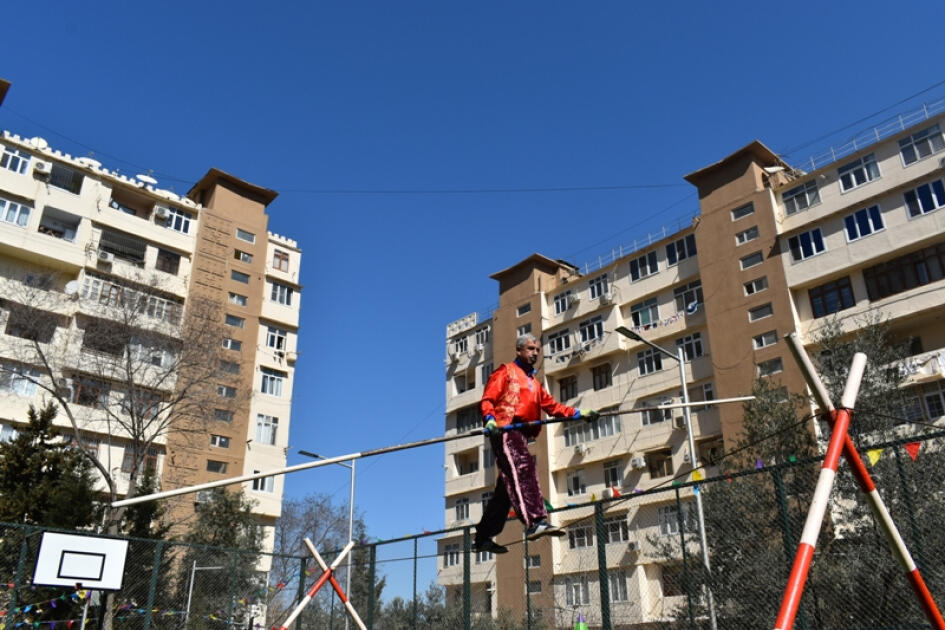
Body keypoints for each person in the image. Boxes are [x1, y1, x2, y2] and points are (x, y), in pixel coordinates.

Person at [474, 333, 598, 554]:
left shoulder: (534, 383)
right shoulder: (506, 372)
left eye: (537, 350)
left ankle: (483, 536)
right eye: (531, 349)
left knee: (507, 489)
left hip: (520, 433)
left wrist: (578, 413)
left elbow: (553, 407)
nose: (535, 354)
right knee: (523, 468)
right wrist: (489, 419)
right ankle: (535, 521)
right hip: (505, 429)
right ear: (519, 350)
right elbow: (488, 399)